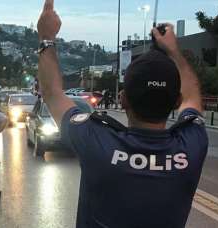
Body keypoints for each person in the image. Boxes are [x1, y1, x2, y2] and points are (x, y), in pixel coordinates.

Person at [37, 1, 208, 227]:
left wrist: (46, 37)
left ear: (122, 99)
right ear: (176, 102)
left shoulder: (96, 140)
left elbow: (51, 92)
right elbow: (193, 96)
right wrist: (174, 51)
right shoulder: (192, 144)